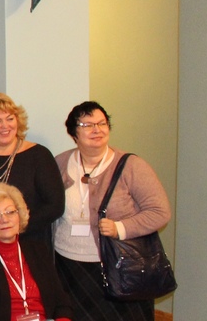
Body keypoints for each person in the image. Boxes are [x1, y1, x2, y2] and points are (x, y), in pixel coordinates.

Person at [53, 101, 170, 321]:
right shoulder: (60, 163)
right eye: (87, 125)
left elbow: (160, 211)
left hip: (121, 266)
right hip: (70, 266)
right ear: (73, 133)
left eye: (102, 123)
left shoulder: (131, 165)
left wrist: (120, 228)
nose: (96, 130)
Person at [0, 184, 73, 321]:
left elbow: (62, 303)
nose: (4, 220)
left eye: (10, 212)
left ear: (19, 215)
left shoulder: (38, 251)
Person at [0, 93, 63, 245]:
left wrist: (12, 229)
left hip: (30, 244)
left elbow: (55, 206)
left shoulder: (39, 155)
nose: (5, 126)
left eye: (10, 119)